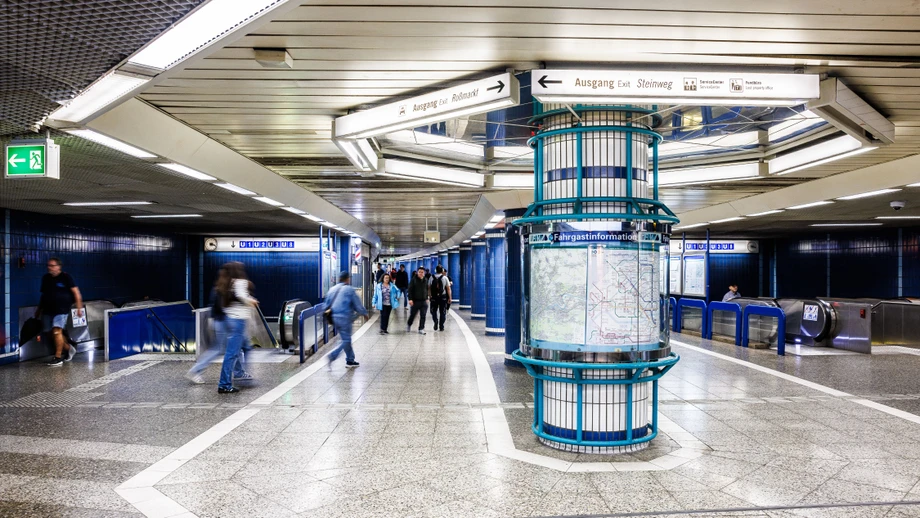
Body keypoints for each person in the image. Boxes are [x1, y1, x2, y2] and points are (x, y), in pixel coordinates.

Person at [186, 268, 250, 384]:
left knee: (233, 349)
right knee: (221, 349)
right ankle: (195, 370)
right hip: (223, 322)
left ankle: (239, 372)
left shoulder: (219, 287)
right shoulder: (225, 289)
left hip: (218, 321)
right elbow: (224, 308)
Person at [217, 262, 258, 394]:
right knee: (232, 354)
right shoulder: (239, 282)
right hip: (238, 321)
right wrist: (251, 301)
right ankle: (224, 384)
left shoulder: (227, 283)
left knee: (240, 349)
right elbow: (241, 296)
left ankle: (239, 374)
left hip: (230, 319)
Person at [36, 257, 83, 367]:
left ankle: (58, 357)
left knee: (57, 331)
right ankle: (68, 348)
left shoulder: (66, 277)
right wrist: (38, 310)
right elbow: (43, 295)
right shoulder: (46, 278)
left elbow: (76, 292)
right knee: (48, 332)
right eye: (48, 265)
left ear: (58, 267)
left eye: (52, 265)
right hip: (47, 310)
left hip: (62, 309)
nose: (50, 268)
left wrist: (79, 308)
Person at [326, 271, 368, 368]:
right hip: (344, 318)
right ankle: (332, 356)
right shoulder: (349, 290)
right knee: (346, 340)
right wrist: (364, 313)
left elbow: (326, 304)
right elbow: (357, 304)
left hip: (334, 318)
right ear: (347, 279)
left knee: (346, 338)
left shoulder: (332, 289)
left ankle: (350, 359)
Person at [429, 266, 452, 332]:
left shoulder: (431, 277)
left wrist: (429, 295)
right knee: (442, 312)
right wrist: (449, 297)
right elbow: (448, 288)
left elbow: (429, 287)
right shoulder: (445, 278)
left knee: (433, 311)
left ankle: (435, 321)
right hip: (443, 297)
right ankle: (441, 326)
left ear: (435, 270)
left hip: (434, 297)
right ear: (442, 270)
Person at [407, 267, 429, 335]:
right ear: (417, 272)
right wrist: (410, 299)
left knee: (423, 315)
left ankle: (421, 328)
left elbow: (426, 289)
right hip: (415, 301)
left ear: (424, 273)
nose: (420, 273)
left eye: (422, 272)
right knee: (413, 315)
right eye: (419, 272)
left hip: (423, 301)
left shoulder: (425, 280)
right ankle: (409, 324)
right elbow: (410, 290)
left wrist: (427, 297)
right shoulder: (414, 280)